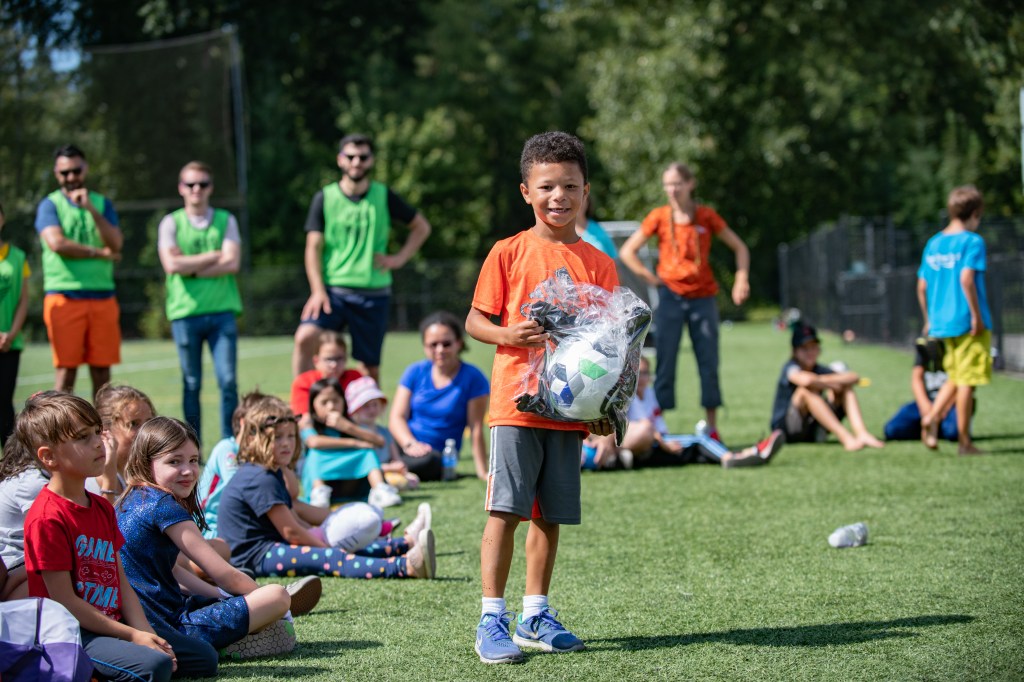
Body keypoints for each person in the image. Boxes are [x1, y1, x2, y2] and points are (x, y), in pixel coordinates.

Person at [465, 131, 616, 664]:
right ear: (526, 191)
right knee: (505, 511)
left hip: (570, 411)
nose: (559, 196)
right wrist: (507, 334)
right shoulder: (507, 251)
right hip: (516, 404)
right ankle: (491, 618)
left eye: (570, 186)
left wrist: (605, 407)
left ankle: (535, 613)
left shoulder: (599, 264)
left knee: (550, 516)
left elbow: (610, 347)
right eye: (547, 186)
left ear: (586, 192)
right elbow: (475, 321)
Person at [117, 417, 304, 666]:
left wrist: (221, 596)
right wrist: (274, 604)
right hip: (170, 627)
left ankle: (248, 625)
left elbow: (174, 571)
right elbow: (226, 575)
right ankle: (233, 642)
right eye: (174, 461)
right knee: (277, 595)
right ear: (145, 462)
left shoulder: (131, 498)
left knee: (239, 597)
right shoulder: (163, 505)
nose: (188, 470)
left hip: (147, 620)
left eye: (194, 460)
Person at [19, 392, 176, 682]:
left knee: (201, 657)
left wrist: (145, 632)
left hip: (112, 623)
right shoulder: (46, 517)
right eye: (82, 437)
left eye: (96, 432)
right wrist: (132, 636)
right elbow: (65, 602)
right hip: (71, 634)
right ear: (48, 456)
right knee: (155, 666)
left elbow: (120, 580)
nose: (97, 443)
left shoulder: (102, 507)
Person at [217, 397, 435, 580]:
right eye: (277, 437)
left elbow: (292, 500)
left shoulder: (268, 470)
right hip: (255, 557)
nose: (286, 443)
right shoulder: (260, 478)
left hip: (269, 546)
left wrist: (284, 465)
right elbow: (291, 532)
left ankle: (405, 544)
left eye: (291, 436)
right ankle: (405, 566)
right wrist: (326, 548)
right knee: (332, 556)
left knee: (335, 547)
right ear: (254, 439)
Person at [618, 162, 750, 439]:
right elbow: (628, 251)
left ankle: (712, 427)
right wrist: (649, 278)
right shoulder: (659, 216)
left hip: (703, 298)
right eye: (668, 184)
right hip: (671, 297)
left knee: (708, 361)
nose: (672, 189)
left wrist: (741, 279)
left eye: (677, 183)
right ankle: (659, 426)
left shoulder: (706, 216)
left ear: (691, 184)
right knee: (665, 361)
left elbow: (740, 247)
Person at [292, 133, 432, 381]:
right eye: (350, 156)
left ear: (371, 160)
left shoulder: (383, 195)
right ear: (340, 160)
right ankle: (303, 401)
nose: (356, 162)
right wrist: (317, 290)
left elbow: (421, 227)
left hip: (373, 294)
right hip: (333, 293)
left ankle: (366, 408)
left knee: (369, 369)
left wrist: (399, 258)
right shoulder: (325, 197)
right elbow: (312, 247)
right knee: (305, 337)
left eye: (363, 157)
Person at [158, 161, 242, 443]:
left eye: (202, 184)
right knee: (191, 384)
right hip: (185, 314)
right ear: (181, 188)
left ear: (210, 188)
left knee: (228, 382)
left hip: (222, 313)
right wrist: (213, 255)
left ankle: (229, 444)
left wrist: (189, 267)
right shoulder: (171, 223)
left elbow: (232, 263)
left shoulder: (226, 220)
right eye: (191, 184)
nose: (197, 189)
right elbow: (172, 265)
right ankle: (193, 447)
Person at [584, 356, 783, 469]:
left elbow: (655, 422)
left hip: (656, 439)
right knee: (700, 440)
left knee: (692, 451)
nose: (641, 377)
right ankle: (732, 457)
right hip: (649, 440)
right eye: (637, 373)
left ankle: (751, 453)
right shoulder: (626, 396)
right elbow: (631, 426)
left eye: (645, 373)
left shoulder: (650, 394)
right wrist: (662, 441)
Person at [35, 144, 123, 398]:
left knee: (102, 374)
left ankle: (102, 424)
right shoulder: (49, 205)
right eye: (65, 172)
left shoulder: (101, 204)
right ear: (56, 174)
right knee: (66, 373)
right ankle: (61, 424)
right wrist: (98, 253)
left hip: (103, 297)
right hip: (64, 297)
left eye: (76, 170)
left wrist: (91, 209)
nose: (71, 177)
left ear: (85, 169)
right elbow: (57, 244)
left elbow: (116, 244)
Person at [916, 185, 992, 455]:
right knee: (967, 381)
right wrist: (976, 316)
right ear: (976, 213)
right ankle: (964, 442)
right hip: (966, 322)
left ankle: (931, 417)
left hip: (941, 323)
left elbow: (921, 286)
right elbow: (966, 278)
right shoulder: (973, 242)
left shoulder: (934, 243)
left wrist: (928, 320)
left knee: (956, 376)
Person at [389, 311, 491, 481]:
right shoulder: (414, 371)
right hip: (404, 444)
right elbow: (396, 417)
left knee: (427, 461)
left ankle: (383, 469)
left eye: (446, 344)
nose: (440, 350)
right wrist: (410, 444)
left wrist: (482, 472)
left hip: (436, 456)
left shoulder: (473, 378)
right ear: (424, 346)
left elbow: (476, 428)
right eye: (433, 344)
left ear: (459, 343)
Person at [770, 323, 884, 451]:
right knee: (805, 391)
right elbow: (806, 381)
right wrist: (826, 381)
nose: (810, 352)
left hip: (810, 426)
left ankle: (862, 433)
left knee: (846, 388)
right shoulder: (790, 367)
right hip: (787, 430)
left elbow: (853, 377)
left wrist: (822, 381)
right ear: (795, 351)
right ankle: (846, 438)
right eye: (804, 348)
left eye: (813, 347)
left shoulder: (818, 369)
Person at [300, 377, 402, 508]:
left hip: (350, 482)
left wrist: (347, 427)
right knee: (315, 454)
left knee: (367, 452)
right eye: (324, 402)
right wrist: (354, 443)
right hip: (323, 470)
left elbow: (380, 441)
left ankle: (380, 490)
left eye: (336, 401)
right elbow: (313, 442)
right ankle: (319, 492)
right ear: (313, 405)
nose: (331, 406)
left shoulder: (349, 422)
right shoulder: (308, 422)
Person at [198, 389, 267, 538]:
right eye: (261, 425)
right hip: (210, 527)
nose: (267, 432)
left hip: (238, 524)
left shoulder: (258, 455)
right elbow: (241, 490)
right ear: (243, 422)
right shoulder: (227, 449)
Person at [346, 376, 420, 491]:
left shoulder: (384, 431)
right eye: (366, 406)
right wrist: (390, 468)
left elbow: (396, 458)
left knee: (411, 479)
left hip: (390, 471)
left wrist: (402, 469)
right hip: (369, 473)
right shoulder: (357, 433)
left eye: (375, 404)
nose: (372, 410)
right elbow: (361, 465)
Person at [0, 435, 50, 601]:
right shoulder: (33, 482)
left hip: (14, 563)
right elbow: (44, 543)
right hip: (14, 563)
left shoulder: (23, 476)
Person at [88, 384, 157, 503]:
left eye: (149, 422)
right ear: (105, 430)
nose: (145, 431)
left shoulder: (147, 470)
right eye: (134, 424)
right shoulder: (97, 479)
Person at [883, 337, 960, 443]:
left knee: (953, 432)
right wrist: (925, 407)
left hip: (951, 404)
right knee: (892, 430)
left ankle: (934, 426)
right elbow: (916, 379)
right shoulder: (924, 345)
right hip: (926, 401)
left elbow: (962, 385)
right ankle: (927, 426)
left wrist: (941, 409)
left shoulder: (957, 343)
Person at [0, 203, 30, 444]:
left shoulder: (18, 257)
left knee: (4, 402)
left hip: (9, 343)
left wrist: (10, 334)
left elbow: (23, 300)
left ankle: (9, 457)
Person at [290, 330, 363, 418]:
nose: (334, 365)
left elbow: (366, 412)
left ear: (346, 359)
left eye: (339, 358)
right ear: (316, 361)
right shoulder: (304, 382)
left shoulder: (355, 378)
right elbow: (302, 418)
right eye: (329, 359)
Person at [575, 194, 617, 259]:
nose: (579, 204)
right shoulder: (560, 233)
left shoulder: (598, 231)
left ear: (588, 202)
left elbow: (613, 258)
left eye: (582, 199)